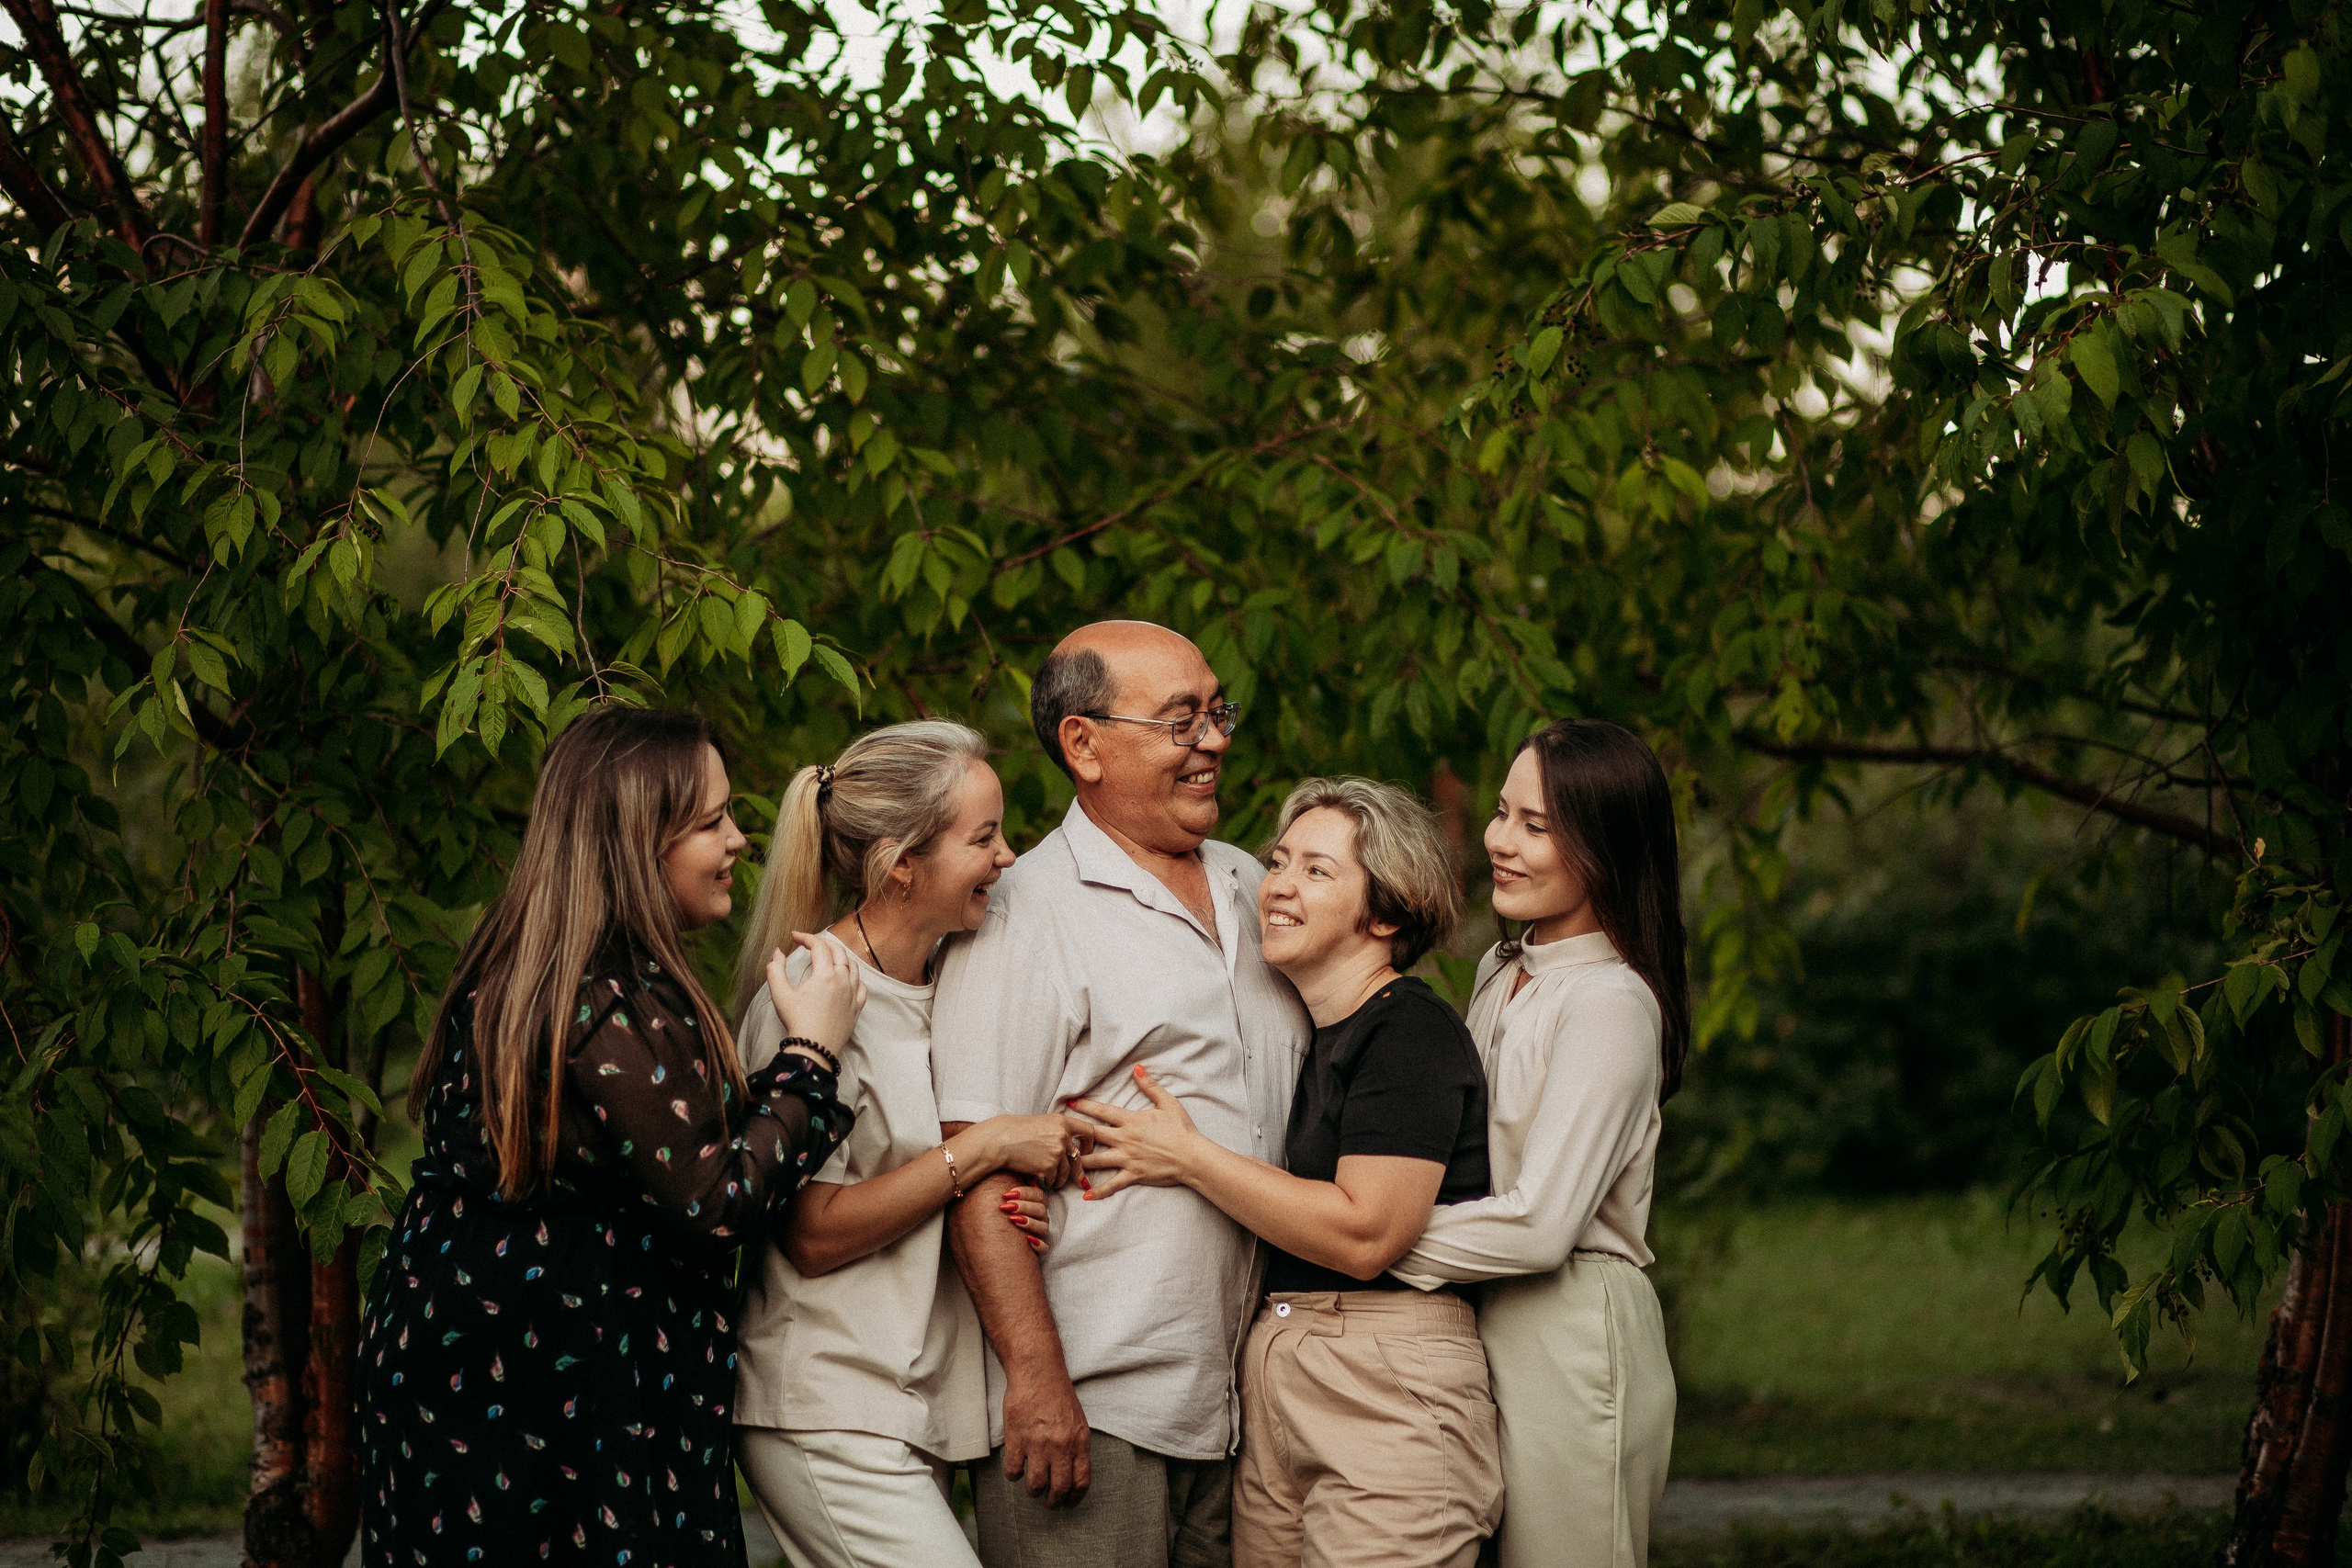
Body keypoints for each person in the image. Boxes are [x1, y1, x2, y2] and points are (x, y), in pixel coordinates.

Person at [356, 706, 861, 1568]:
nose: (738, 839)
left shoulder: (531, 963)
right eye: (710, 822)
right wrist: (811, 1052)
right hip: (539, 1382)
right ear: (633, 843)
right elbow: (715, 1198)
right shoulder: (603, 995)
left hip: (493, 1353)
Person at [930, 621, 1313, 1568]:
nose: (1214, 741)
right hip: (1093, 1411)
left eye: (1216, 712)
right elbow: (974, 1164)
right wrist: (1036, 1380)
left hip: (1245, 1407)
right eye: (1180, 721)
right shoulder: (1021, 914)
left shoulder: (1256, 887)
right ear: (1083, 745)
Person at [1073, 777, 1501, 1568]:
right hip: (1278, 1372)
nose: (1278, 885)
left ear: (1384, 913)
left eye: (1316, 870)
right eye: (1279, 861)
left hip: (1386, 1385)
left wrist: (1189, 1155)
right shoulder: (1313, 1033)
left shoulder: (1409, 1032)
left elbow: (1366, 1230)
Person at [729, 720, 1094, 1568]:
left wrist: (1010, 1189)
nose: (1009, 857)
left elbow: (924, 1190)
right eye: (983, 836)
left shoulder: (948, 988)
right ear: (902, 864)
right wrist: (987, 1145)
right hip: (826, 1403)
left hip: (915, 1401)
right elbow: (811, 1234)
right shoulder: (811, 999)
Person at [1388, 718, 1691, 1568]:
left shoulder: (1609, 1001)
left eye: (1536, 825)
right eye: (1500, 812)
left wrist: (1365, 1238)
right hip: (1481, 1315)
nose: (1498, 841)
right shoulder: (1501, 969)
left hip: (1573, 1329)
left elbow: (1541, 1224)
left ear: (1605, 846)